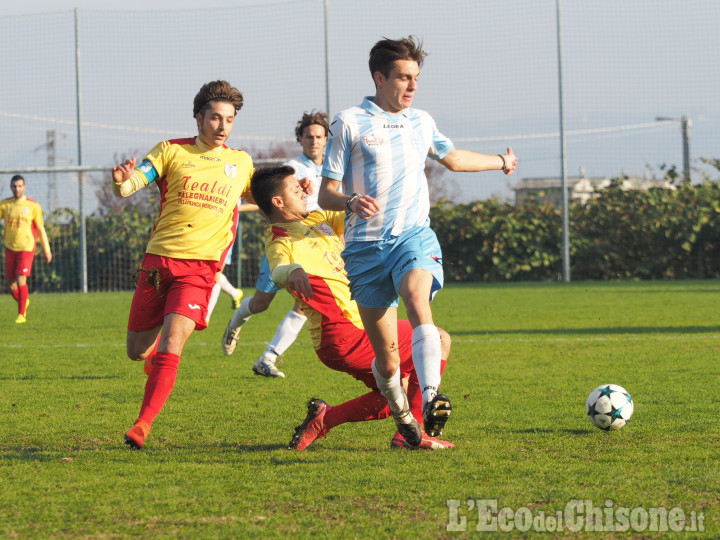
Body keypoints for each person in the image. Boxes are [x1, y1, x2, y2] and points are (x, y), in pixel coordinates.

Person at [317, 36, 518, 447]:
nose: (412, 87)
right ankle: (405, 420)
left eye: (416, 78)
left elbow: (453, 158)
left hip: (412, 235)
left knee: (416, 297)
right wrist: (351, 201)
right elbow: (326, 194)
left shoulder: (420, 122)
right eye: (404, 78)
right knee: (388, 362)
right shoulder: (349, 122)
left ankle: (430, 398)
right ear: (379, 77)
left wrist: (501, 162)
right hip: (364, 251)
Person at [244, 165, 454, 449]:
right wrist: (293, 271)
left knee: (395, 393)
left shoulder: (319, 218)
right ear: (278, 203)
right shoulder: (281, 239)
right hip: (344, 334)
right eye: (295, 190)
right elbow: (279, 266)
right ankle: (415, 436)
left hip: (351, 334)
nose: (302, 192)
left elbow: (352, 207)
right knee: (437, 339)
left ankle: (323, 419)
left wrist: (315, 188)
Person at [111, 80, 254, 450]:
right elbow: (133, 183)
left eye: (229, 119)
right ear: (198, 118)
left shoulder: (240, 162)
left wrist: (293, 194)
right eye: (215, 118)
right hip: (158, 264)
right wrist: (122, 183)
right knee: (138, 351)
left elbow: (266, 199)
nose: (222, 127)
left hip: (200, 270)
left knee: (174, 341)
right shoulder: (170, 151)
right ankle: (152, 358)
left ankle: (142, 425)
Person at [222, 111, 332, 379]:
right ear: (300, 139)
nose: (314, 141)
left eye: (319, 136)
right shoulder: (292, 168)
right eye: (308, 136)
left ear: (326, 139)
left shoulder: (334, 167)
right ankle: (235, 324)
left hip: (316, 243)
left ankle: (268, 358)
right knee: (261, 303)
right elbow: (274, 203)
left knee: (305, 305)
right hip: (287, 242)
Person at [0, 175, 53, 324]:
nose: (17, 189)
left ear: (24, 187)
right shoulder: (5, 205)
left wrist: (47, 249)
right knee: (11, 285)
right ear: (11, 187)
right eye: (14, 186)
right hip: (10, 247)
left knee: (21, 279)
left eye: (20, 186)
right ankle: (24, 301)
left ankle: (21, 314)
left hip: (26, 248)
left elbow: (41, 229)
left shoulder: (33, 206)